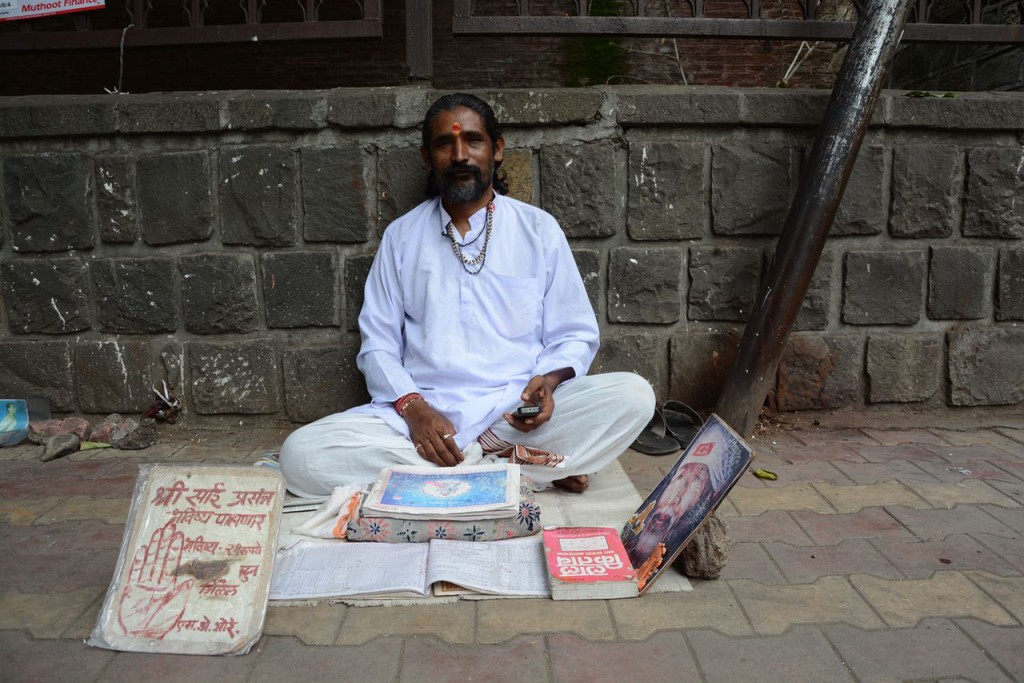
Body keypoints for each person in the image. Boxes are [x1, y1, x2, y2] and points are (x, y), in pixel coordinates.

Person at [279, 93, 654, 498]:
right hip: (422, 420)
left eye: (473, 141)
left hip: (513, 412)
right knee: (300, 456)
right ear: (427, 157)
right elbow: (378, 348)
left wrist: (548, 381)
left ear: (497, 150)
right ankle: (521, 467)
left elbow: (574, 334)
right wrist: (416, 411)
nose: (460, 154)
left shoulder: (538, 230)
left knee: (634, 396)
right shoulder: (402, 237)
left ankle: (489, 463)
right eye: (445, 143)